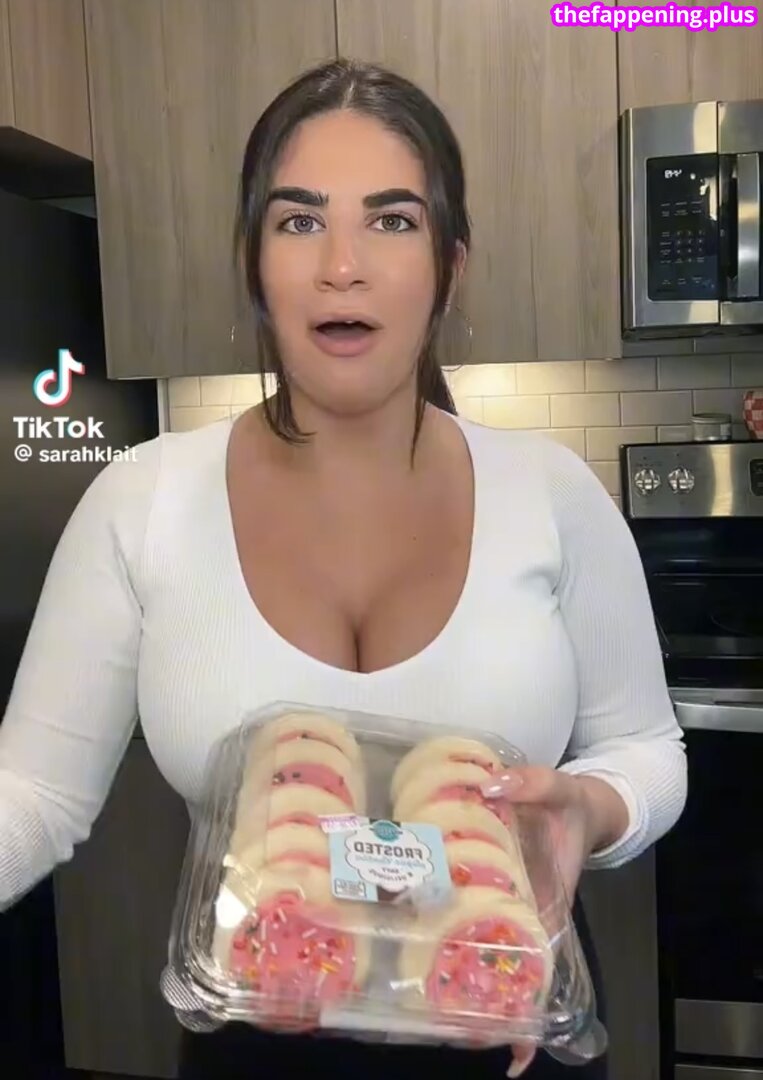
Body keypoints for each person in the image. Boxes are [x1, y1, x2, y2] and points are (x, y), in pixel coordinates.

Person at [0, 57, 686, 1080]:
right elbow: (32, 791)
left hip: (503, 1013)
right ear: (254, 265)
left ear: (450, 266)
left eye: (392, 220)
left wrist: (591, 811)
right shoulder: (144, 500)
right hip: (259, 1025)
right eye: (299, 220)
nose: (342, 266)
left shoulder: (552, 493)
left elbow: (645, 747)